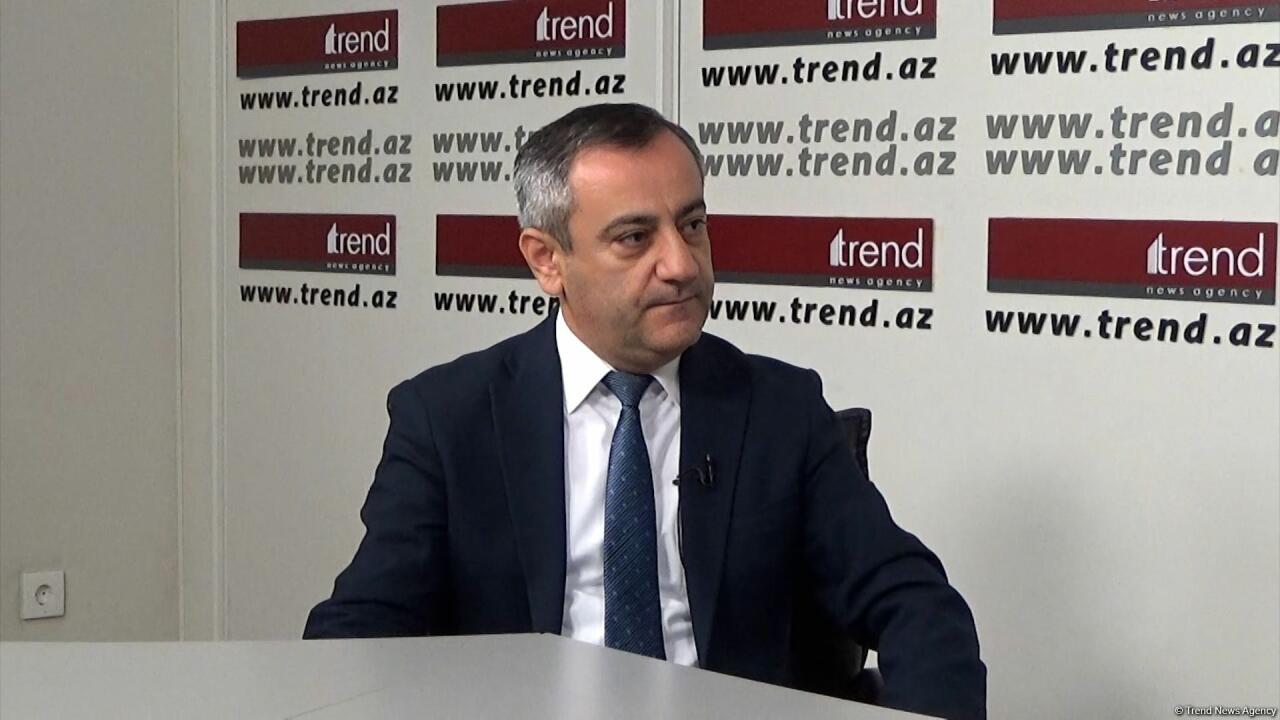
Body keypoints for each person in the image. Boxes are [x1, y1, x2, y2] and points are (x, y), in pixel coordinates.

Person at [305, 103, 986, 719]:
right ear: (547, 260)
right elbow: (361, 631)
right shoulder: (447, 419)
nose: (681, 264)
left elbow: (915, 604)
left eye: (692, 225)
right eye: (635, 238)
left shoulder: (780, 411)